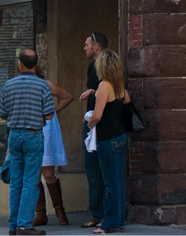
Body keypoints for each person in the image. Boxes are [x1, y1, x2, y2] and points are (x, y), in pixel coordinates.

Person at [0, 49, 55, 235]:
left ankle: (13, 225)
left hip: (14, 135)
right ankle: (24, 225)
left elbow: (2, 113)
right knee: (31, 182)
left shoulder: (8, 85)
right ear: (36, 64)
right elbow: (49, 115)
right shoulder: (43, 86)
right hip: (33, 135)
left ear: (20, 64)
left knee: (16, 182)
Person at [85, 50, 131, 234]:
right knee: (118, 182)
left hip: (108, 139)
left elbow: (97, 115)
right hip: (121, 136)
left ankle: (109, 223)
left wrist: (88, 122)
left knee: (110, 184)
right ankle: (118, 221)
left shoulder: (104, 85)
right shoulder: (120, 85)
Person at [33, 69, 73, 226]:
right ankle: (40, 213)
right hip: (31, 128)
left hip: (46, 129)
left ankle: (59, 211)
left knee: (48, 173)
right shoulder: (24, 85)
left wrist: (54, 111)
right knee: (34, 173)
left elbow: (67, 97)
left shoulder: (46, 84)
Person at [79, 32, 108, 229]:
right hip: (92, 122)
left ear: (96, 47)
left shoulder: (109, 67)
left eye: (87, 44)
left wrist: (94, 91)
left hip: (104, 124)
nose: (85, 48)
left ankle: (108, 214)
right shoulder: (92, 67)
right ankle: (97, 214)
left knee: (106, 171)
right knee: (92, 170)